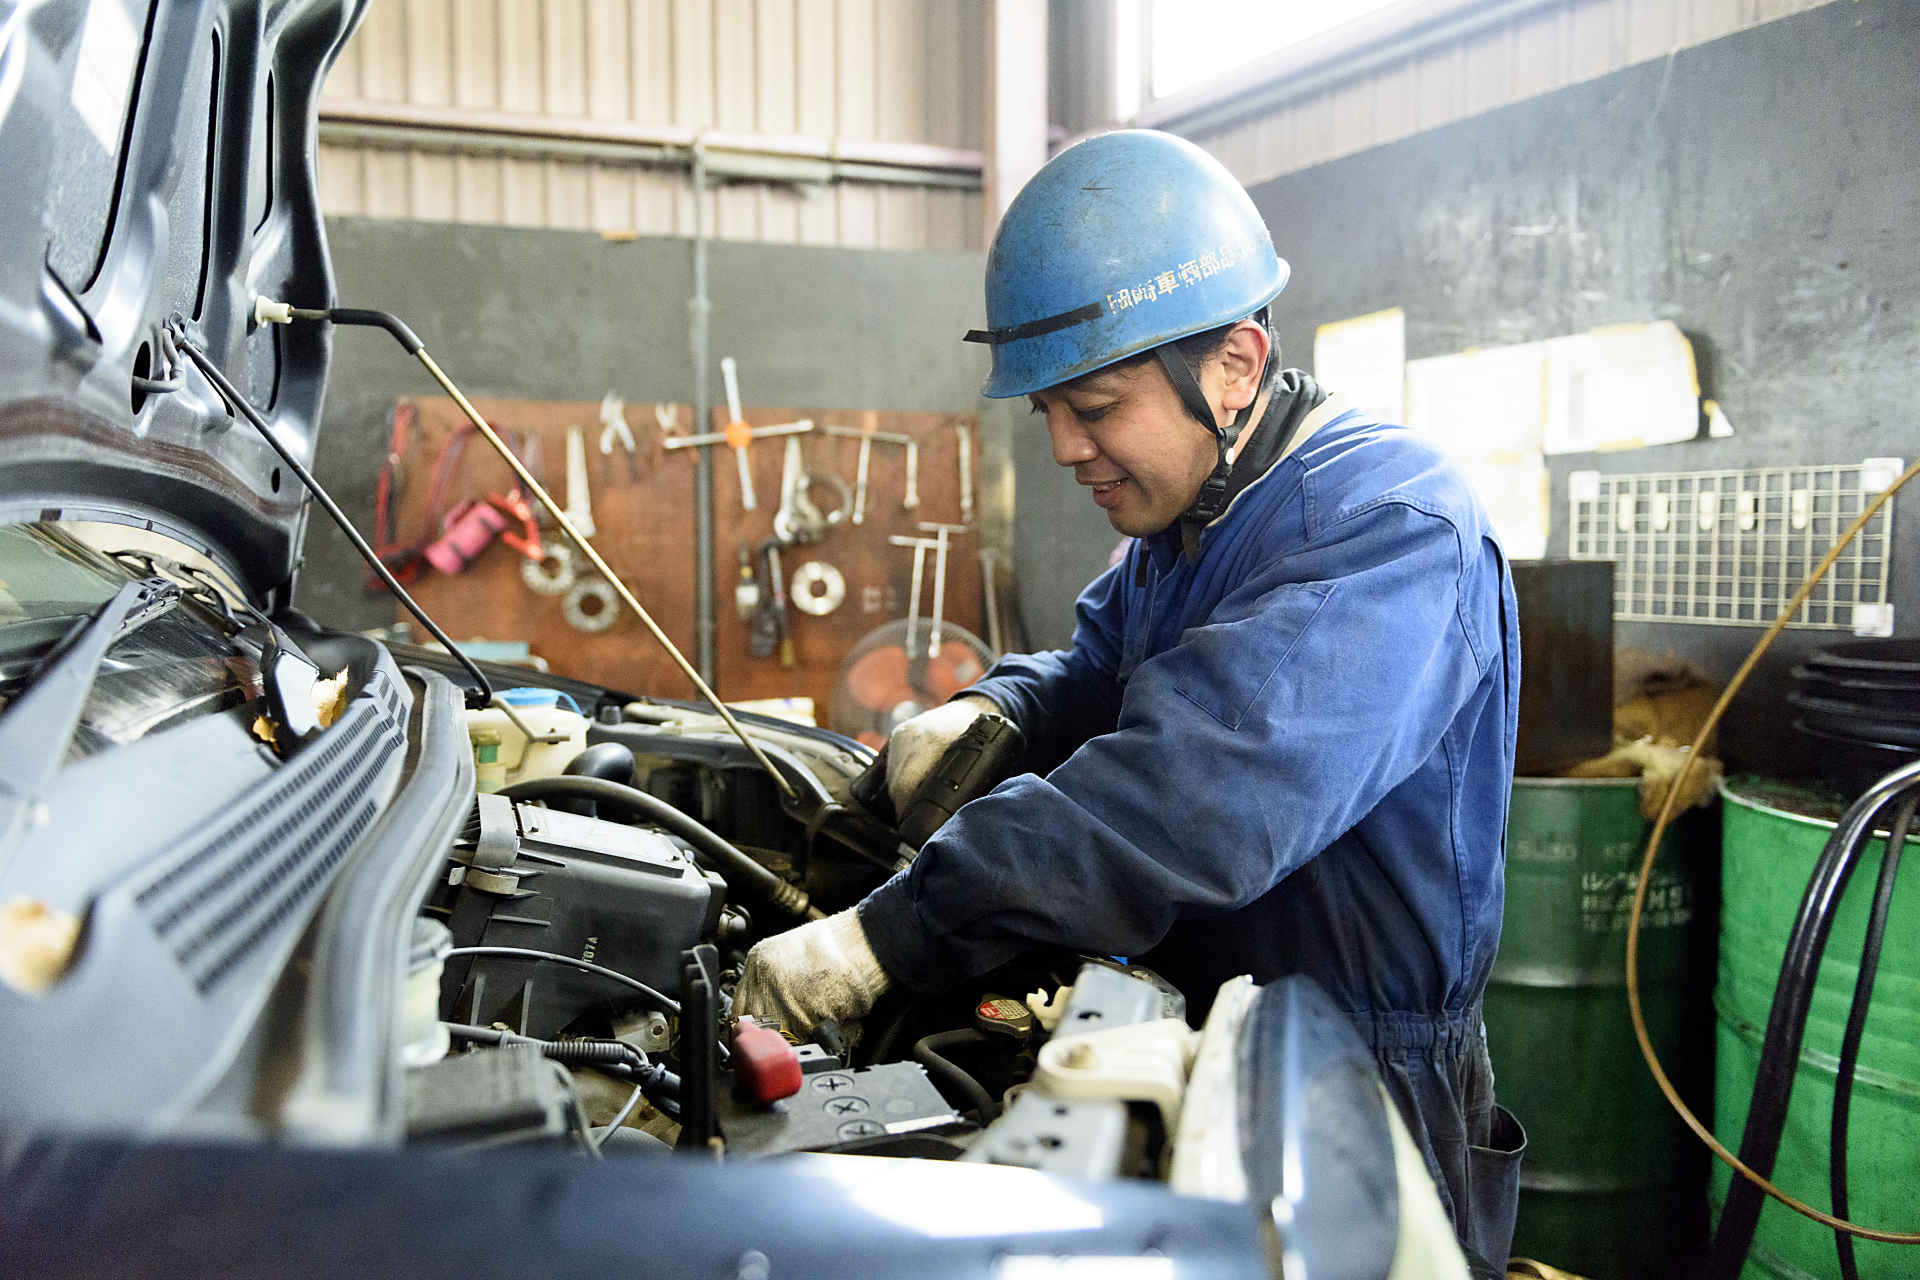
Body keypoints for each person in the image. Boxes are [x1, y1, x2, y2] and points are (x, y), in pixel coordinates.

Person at [737, 129, 1523, 1264]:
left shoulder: (1389, 527)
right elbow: (1097, 671)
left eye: (1096, 406)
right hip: (1199, 1031)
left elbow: (1192, 797)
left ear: (1236, 365)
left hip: (1353, 1078)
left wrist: (890, 936)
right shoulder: (1191, 514)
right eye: (1048, 411)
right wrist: (1001, 709)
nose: (1066, 447)